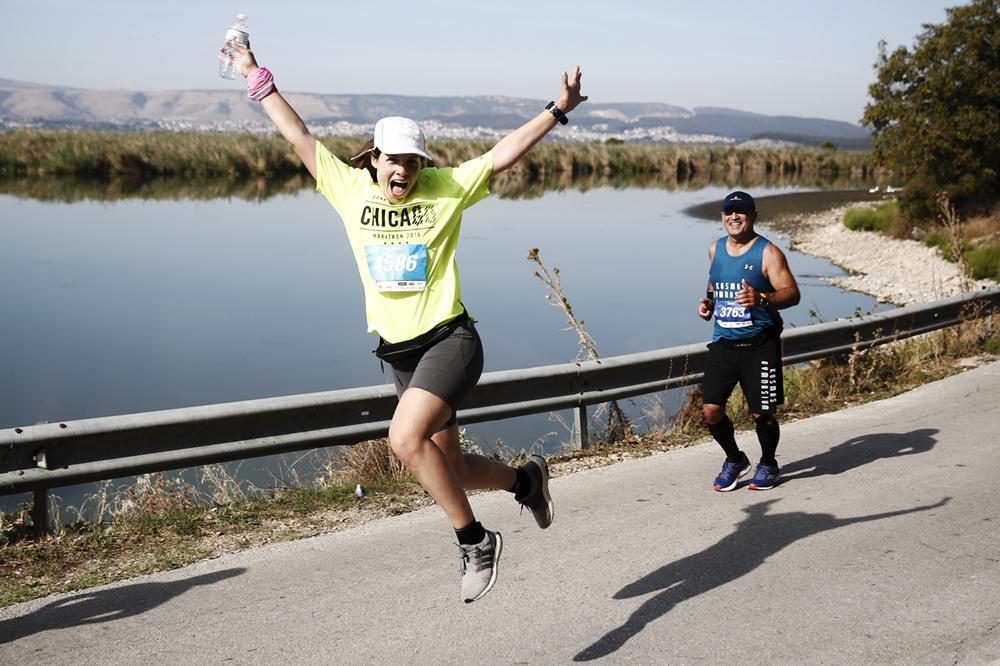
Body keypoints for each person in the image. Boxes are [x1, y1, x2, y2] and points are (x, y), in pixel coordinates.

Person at [221, 40, 586, 603]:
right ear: (374, 158)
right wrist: (252, 72)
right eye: (394, 160)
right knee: (453, 468)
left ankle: (475, 541)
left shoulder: (445, 189)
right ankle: (525, 481)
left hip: (451, 340)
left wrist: (557, 110)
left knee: (403, 437)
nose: (404, 172)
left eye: (413, 162)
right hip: (400, 353)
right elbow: (297, 135)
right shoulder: (348, 190)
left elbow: (503, 153)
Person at [697, 191, 800, 491]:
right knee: (711, 411)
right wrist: (709, 305)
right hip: (723, 344)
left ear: (754, 216)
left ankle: (768, 463)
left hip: (760, 345)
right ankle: (735, 459)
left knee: (762, 413)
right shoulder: (715, 249)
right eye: (728, 211)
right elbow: (714, 283)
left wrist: (762, 297)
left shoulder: (768, 253)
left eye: (740, 212)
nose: (734, 216)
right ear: (722, 216)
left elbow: (792, 294)